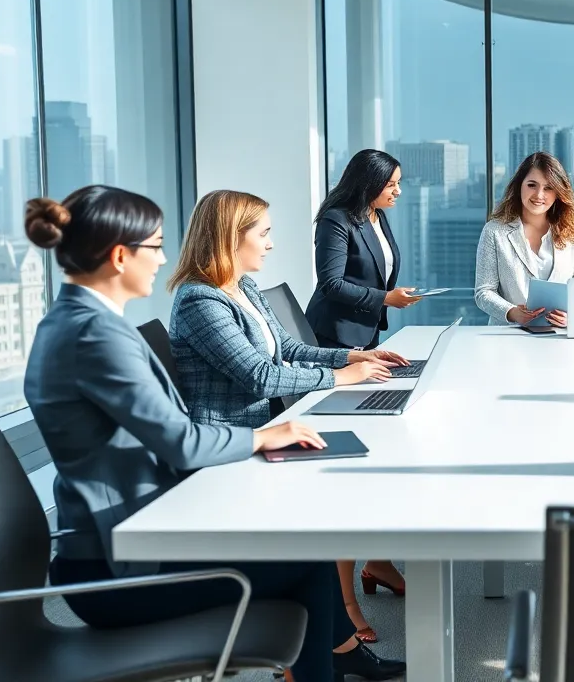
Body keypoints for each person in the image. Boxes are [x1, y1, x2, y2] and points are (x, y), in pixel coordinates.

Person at [21, 185, 405, 682]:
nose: (162, 259)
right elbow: (181, 439)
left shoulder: (75, 322)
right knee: (307, 560)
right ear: (120, 256)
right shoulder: (95, 336)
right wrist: (262, 439)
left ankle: (335, 659)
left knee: (302, 549)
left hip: (119, 538)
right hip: (117, 568)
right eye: (154, 246)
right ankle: (332, 662)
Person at [167, 189, 408, 644]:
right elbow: (259, 376)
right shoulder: (200, 301)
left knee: (357, 465)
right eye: (264, 233)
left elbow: (289, 349)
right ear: (229, 237)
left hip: (267, 430)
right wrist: (342, 379)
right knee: (340, 490)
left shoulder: (243, 287)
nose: (271, 244)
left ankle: (342, 643)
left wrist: (352, 355)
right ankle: (343, 640)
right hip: (234, 444)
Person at [306, 148, 420, 350]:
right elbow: (331, 284)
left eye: (399, 183)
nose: (398, 191)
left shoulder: (377, 216)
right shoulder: (335, 220)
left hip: (367, 332)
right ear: (368, 184)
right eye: (390, 185)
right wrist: (386, 298)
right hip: (334, 334)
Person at [474, 151, 574, 326]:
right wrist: (512, 312)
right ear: (519, 186)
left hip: (558, 339)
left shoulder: (573, 235)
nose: (539, 195)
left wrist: (572, 317)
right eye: (532, 185)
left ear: (558, 193)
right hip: (508, 336)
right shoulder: (495, 231)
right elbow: (484, 292)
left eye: (548, 188)